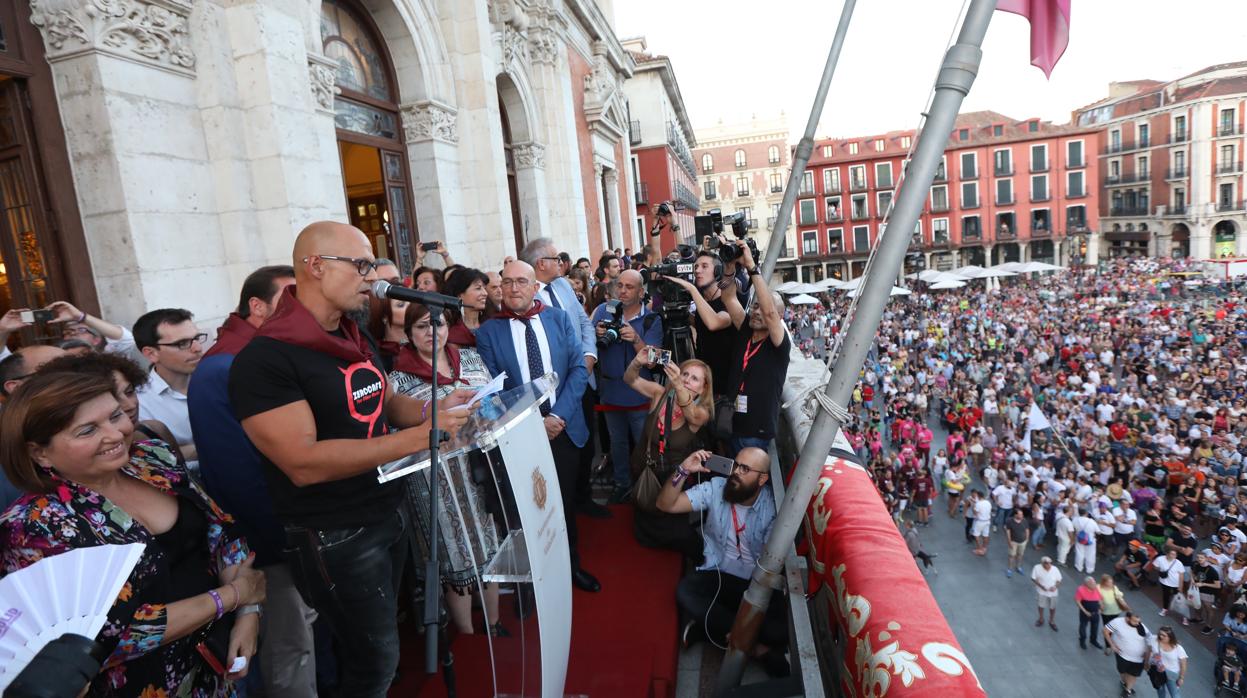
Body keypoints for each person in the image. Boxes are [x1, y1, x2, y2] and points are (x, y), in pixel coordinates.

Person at [229, 221, 470, 697]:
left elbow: (380, 401)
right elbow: (303, 461)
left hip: (385, 509)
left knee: (383, 652)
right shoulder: (265, 361)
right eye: (360, 264)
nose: (372, 276)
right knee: (373, 663)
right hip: (334, 532)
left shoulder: (350, 333)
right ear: (315, 266)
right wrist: (421, 436)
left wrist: (432, 408)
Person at [0, 371, 267, 696]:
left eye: (115, 415)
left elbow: (220, 529)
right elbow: (102, 636)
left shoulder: (152, 458)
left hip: (217, 657)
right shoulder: (33, 526)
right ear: (39, 453)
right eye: (88, 430)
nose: (116, 433)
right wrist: (233, 597)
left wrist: (247, 615)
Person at [187, 264, 319, 698]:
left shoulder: (268, 350)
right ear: (256, 306)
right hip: (269, 539)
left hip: (294, 528)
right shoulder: (222, 368)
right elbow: (238, 474)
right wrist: (284, 539)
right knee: (287, 646)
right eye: (288, 298)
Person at [476, 260, 600, 593]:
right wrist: (532, 423)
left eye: (521, 282)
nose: (514, 288)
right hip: (520, 434)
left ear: (535, 287)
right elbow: (493, 389)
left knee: (564, 503)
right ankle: (535, 580)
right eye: (507, 282)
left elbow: (578, 370)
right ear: (500, 288)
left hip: (563, 426)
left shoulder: (558, 319)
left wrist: (558, 415)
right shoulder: (488, 332)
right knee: (529, 508)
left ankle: (571, 567)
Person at [388, 302, 505, 636]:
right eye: (422, 326)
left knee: (490, 547)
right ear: (409, 333)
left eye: (437, 324)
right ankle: (467, 633)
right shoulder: (399, 378)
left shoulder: (468, 358)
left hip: (480, 468)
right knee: (457, 559)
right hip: (435, 481)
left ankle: (494, 623)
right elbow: (399, 431)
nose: (432, 333)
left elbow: (494, 402)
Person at [657, 448, 789, 676]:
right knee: (686, 592)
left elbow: (774, 565)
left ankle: (712, 628)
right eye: (735, 465)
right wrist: (683, 470)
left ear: (762, 479)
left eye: (745, 469)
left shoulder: (773, 508)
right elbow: (665, 504)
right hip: (718, 575)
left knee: (780, 630)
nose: (735, 473)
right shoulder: (717, 488)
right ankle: (755, 648)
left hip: (754, 584)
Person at [521, 238, 607, 518]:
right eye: (555, 258)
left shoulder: (562, 286)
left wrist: (590, 357)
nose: (561, 263)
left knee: (587, 442)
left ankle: (585, 497)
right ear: (540, 264)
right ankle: (565, 509)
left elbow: (583, 322)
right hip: (557, 388)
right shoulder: (529, 298)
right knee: (566, 447)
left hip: (585, 376)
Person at [624, 352, 713, 558]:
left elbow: (690, 414)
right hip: (643, 466)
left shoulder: (702, 412)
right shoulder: (659, 393)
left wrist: (678, 386)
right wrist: (637, 362)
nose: (687, 381)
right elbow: (630, 379)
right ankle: (645, 539)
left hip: (671, 476)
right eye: (685, 374)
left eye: (694, 378)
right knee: (643, 506)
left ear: (704, 388)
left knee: (670, 524)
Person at [590, 269, 663, 503]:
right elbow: (589, 346)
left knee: (643, 444)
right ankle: (622, 484)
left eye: (629, 287)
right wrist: (595, 332)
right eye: (619, 285)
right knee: (617, 443)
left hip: (640, 395)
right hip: (610, 392)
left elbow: (654, 362)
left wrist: (636, 340)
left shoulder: (652, 319)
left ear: (641, 292)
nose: (622, 290)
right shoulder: (604, 310)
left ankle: (645, 486)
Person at [724, 243, 789, 453]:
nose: (757, 312)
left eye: (763, 307)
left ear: (779, 317)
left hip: (756, 434)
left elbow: (770, 313)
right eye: (754, 306)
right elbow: (728, 298)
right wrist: (730, 265)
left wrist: (752, 268)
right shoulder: (746, 331)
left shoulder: (779, 344)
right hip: (730, 425)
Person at [134, 308, 206, 467]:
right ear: (151, 353)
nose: (197, 348)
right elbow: (157, 457)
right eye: (182, 343)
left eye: (197, 338)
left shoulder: (216, 380)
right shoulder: (139, 402)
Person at [1104, 611, 1153, 697]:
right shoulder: (1117, 622)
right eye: (1135, 621)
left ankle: (1128, 690)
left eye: (1139, 621)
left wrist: (1148, 654)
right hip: (1122, 655)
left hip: (1138, 658)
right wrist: (1112, 645)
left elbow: (1150, 639)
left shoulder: (1141, 626)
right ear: (1127, 618)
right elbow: (1105, 631)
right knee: (1122, 671)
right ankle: (1124, 682)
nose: (1137, 624)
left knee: (1133, 674)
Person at [442, 267, 493, 347]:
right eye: (478, 288)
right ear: (459, 295)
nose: (485, 293)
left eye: (485, 288)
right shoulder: (451, 333)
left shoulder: (491, 325)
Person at [1149, 626, 1187, 698]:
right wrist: (1147, 662)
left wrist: (1181, 678)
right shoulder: (1154, 640)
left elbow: (1183, 664)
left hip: (1171, 674)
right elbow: (1149, 650)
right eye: (1160, 634)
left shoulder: (1178, 648)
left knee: (1175, 694)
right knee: (1161, 692)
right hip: (1158, 671)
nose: (1161, 636)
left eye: (1164, 635)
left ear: (1170, 637)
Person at [1150, 549, 1186, 620]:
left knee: (1179, 599)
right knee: (1166, 596)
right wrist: (1160, 570)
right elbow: (1155, 566)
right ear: (1167, 554)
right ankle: (1165, 609)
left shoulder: (1178, 563)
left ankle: (1184, 615)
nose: (1173, 556)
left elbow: (1181, 575)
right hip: (1164, 582)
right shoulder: (1160, 559)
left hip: (1176, 584)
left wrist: (1180, 586)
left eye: (1175, 555)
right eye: (1172, 554)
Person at [1032, 556, 1062, 631]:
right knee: (1041, 605)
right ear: (1042, 563)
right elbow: (1033, 578)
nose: (1048, 565)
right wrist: (1041, 586)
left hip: (1053, 593)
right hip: (1041, 592)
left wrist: (1055, 587)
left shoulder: (1055, 569)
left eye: (1049, 563)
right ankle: (1041, 619)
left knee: (1053, 607)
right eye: (1046, 563)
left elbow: (1059, 580)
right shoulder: (1037, 568)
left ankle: (1051, 621)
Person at [1077, 575, 1105, 650]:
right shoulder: (1081, 589)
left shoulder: (1096, 589)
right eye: (1092, 584)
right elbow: (1078, 602)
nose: (1094, 585)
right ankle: (1082, 640)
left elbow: (1100, 599)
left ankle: (1093, 640)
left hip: (1095, 612)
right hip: (1085, 613)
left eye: (1094, 583)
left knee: (1095, 627)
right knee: (1083, 627)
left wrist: (1101, 608)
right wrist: (1085, 611)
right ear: (1087, 584)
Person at [1072, 506, 1100, 574]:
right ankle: (1089, 569)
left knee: (1079, 553)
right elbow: (1098, 532)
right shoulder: (1092, 522)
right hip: (1090, 540)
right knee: (1090, 555)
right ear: (1086, 513)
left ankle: (1079, 567)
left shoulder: (1075, 520)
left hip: (1079, 539)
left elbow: (1073, 529)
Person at [1005, 507, 1030, 577]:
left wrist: (1027, 539)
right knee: (1011, 556)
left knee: (1020, 555)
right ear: (1015, 515)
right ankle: (1009, 569)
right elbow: (1008, 532)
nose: (1021, 516)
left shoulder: (1024, 521)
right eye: (1020, 515)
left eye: (1022, 514)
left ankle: (1018, 567)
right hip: (1013, 542)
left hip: (1022, 542)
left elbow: (1027, 530)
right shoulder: (1009, 521)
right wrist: (1009, 542)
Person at [971, 488, 992, 556]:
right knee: (985, 535)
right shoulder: (988, 502)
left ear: (978, 496)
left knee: (976, 535)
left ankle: (979, 549)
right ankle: (984, 548)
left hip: (980, 521)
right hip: (987, 521)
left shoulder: (978, 504)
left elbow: (975, 513)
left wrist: (974, 506)